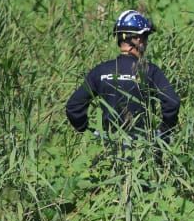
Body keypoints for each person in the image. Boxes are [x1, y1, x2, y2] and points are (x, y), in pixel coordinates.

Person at [65, 9, 180, 154]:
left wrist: (90, 133)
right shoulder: (150, 70)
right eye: (145, 37)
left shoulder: (101, 71)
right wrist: (163, 132)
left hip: (108, 148)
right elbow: (172, 102)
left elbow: (73, 107)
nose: (146, 42)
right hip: (143, 150)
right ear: (137, 39)